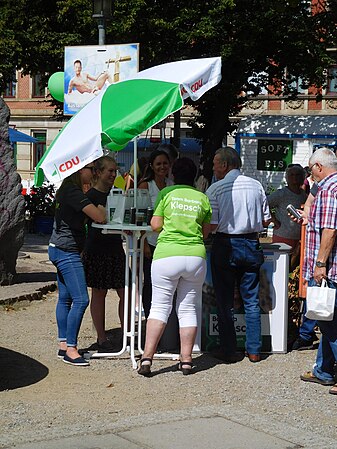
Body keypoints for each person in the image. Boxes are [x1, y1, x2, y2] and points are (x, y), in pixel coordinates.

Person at [138, 157, 212, 376]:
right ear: (195, 177)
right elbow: (206, 232)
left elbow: (155, 224)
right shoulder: (202, 198)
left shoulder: (166, 194)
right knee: (187, 307)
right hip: (195, 257)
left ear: (173, 174)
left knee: (159, 307)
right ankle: (187, 360)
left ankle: (147, 358)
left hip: (167, 255)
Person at [206, 147, 271, 363]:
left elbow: (212, 224)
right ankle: (254, 350)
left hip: (225, 244)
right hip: (252, 242)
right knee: (251, 299)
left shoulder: (215, 189)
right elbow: (265, 220)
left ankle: (229, 349)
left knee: (224, 300)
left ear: (224, 165)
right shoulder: (257, 186)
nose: (214, 167)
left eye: (215, 163)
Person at [48, 163, 106, 366]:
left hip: (58, 247)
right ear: (81, 169)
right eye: (92, 168)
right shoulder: (72, 191)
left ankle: (63, 344)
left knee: (65, 298)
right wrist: (101, 199)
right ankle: (71, 349)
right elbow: (99, 217)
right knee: (81, 300)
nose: (95, 172)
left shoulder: (67, 189)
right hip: (66, 251)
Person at [298, 147, 337, 395]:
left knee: (332, 324)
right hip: (330, 266)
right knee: (327, 319)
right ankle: (323, 370)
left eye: (311, 168)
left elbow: (331, 229)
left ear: (319, 167)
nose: (310, 174)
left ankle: (326, 371)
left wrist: (320, 263)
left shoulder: (330, 189)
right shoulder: (328, 187)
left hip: (330, 267)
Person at [82, 156, 127, 351]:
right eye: (109, 170)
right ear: (98, 172)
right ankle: (101, 337)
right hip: (97, 248)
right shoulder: (90, 196)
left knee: (125, 292)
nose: (113, 174)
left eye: (115, 170)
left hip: (116, 248)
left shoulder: (118, 193)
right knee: (99, 293)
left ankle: (127, 335)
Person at [138, 149, 174, 318]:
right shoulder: (145, 185)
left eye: (165, 163)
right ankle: (150, 316)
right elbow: (139, 216)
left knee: (168, 282)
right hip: (150, 242)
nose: (162, 167)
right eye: (158, 164)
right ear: (152, 166)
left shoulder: (172, 185)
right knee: (150, 282)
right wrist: (144, 243)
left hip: (169, 242)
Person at [267, 164, 307, 270]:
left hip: (299, 239)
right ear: (287, 178)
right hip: (282, 237)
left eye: (297, 175)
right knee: (280, 269)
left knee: (295, 270)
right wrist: (274, 220)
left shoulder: (304, 195)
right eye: (291, 175)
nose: (294, 177)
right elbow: (265, 205)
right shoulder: (281, 194)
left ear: (303, 177)